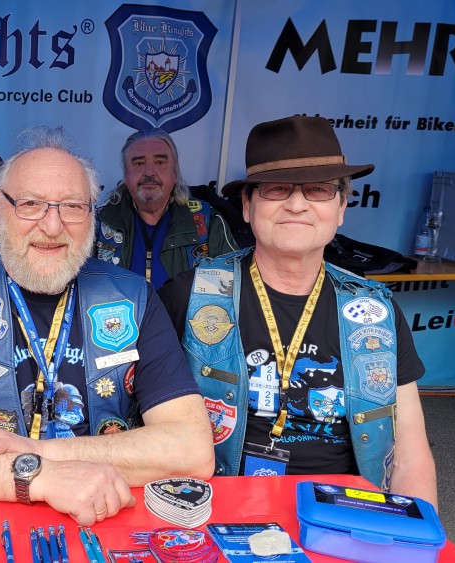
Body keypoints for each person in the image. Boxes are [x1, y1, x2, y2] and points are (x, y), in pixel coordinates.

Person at [0, 127, 214, 526]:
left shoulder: (133, 297)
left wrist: (36, 454)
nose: (53, 226)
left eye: (72, 206)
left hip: (103, 518)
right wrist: (39, 478)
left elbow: (192, 450)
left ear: (92, 216)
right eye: (31, 204)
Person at [159, 115, 438, 507]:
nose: (296, 204)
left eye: (318, 190)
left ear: (342, 207)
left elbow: (409, 451)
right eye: (277, 189)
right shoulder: (188, 296)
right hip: (217, 504)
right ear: (247, 206)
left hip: (346, 508)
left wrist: (417, 532)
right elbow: (147, 424)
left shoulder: (376, 310)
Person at [95, 129, 237, 289]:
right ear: (126, 175)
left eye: (160, 162)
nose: (149, 172)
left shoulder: (208, 221)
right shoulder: (100, 222)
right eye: (139, 163)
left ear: (175, 173)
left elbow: (233, 287)